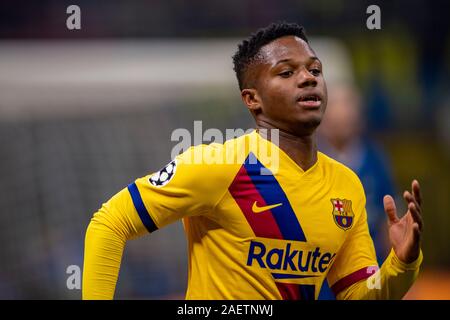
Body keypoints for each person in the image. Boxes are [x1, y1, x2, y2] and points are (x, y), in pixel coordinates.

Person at [83, 22, 423, 300]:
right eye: (286, 72)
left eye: (314, 69)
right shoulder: (220, 164)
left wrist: (401, 264)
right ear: (252, 99)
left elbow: (355, 295)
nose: (308, 78)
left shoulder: (347, 185)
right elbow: (109, 223)